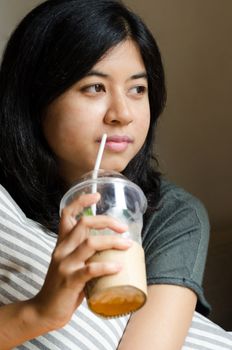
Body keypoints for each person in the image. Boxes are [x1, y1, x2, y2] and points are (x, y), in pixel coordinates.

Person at [0, 0, 231, 349]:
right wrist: (40, 313)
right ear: (36, 96)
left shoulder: (173, 214)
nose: (122, 114)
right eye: (95, 87)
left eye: (137, 89)